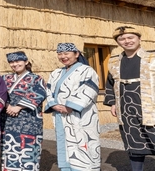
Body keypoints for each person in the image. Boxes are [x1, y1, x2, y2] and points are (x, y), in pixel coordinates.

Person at [104, 26, 155, 171]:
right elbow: (110, 83)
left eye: (130, 38)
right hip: (126, 108)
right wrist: (113, 102)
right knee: (133, 142)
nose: (127, 41)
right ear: (118, 42)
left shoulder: (153, 57)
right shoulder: (114, 61)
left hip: (150, 107)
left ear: (139, 38)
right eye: (122, 39)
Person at [45, 43, 100, 171]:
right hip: (60, 114)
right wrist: (54, 105)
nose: (63, 56)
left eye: (66, 53)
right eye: (60, 54)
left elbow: (89, 89)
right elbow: (49, 90)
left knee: (83, 141)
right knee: (65, 142)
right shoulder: (56, 73)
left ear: (76, 54)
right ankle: (67, 167)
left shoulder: (87, 71)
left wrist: (70, 107)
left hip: (80, 115)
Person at [1, 51, 47, 170]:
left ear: (26, 62)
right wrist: (7, 106)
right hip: (7, 120)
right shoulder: (5, 78)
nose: (15, 64)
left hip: (29, 121)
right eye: (11, 62)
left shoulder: (36, 79)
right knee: (9, 150)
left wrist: (18, 107)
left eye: (18, 61)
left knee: (28, 151)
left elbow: (39, 93)